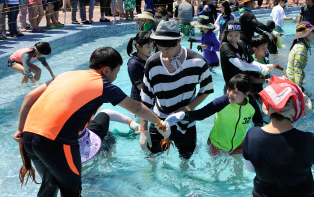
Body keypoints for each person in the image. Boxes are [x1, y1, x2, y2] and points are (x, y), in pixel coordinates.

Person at [14, 47, 171, 196]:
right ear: (106, 70)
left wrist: (20, 130)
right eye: (117, 71)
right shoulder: (103, 85)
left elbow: (29, 98)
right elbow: (137, 107)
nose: (116, 76)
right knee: (72, 191)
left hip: (29, 135)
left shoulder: (64, 75)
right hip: (56, 141)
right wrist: (159, 122)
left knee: (50, 183)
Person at [243, 76, 314, 197]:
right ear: (297, 109)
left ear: (268, 106)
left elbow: (250, 169)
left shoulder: (251, 135)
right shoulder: (309, 140)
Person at [140, 20, 213, 159]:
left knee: (186, 159)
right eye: (161, 49)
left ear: (179, 40)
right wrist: (143, 130)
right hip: (158, 120)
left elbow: (206, 90)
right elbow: (145, 99)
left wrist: (186, 108)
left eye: (167, 50)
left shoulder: (198, 61)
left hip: (186, 121)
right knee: (152, 157)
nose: (164, 54)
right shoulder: (152, 63)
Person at [220, 20, 275, 86]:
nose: (233, 38)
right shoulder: (225, 46)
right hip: (233, 87)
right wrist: (260, 69)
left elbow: (251, 61)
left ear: (240, 34)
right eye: (230, 35)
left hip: (245, 85)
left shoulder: (241, 43)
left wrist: (265, 66)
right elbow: (241, 65)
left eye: (236, 35)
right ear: (226, 34)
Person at [286, 22, 314, 88]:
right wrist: (299, 89)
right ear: (305, 34)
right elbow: (297, 71)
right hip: (292, 83)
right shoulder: (301, 49)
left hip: (290, 79)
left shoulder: (300, 45)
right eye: (311, 31)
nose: (313, 33)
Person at [127, 31, 153, 103]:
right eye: (148, 46)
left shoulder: (150, 58)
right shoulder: (134, 63)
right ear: (138, 46)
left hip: (150, 97)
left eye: (151, 45)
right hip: (139, 102)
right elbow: (140, 86)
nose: (151, 49)